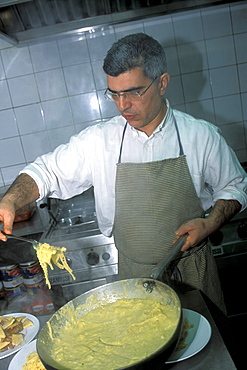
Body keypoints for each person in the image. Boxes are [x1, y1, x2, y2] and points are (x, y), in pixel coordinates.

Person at [0, 33, 246, 313]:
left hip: (195, 274)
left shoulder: (201, 137)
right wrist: (10, 201)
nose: (122, 105)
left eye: (134, 92)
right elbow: (46, 172)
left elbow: (235, 187)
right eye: (114, 94)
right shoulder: (99, 141)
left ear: (162, 83)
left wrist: (210, 223)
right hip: (135, 278)